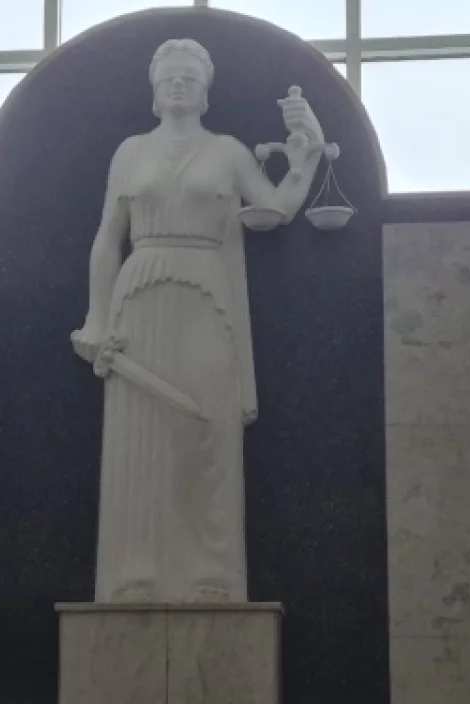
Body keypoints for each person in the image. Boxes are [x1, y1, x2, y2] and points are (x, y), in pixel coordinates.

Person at [70, 38, 325, 603]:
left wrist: (304, 156)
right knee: (141, 439)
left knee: (209, 428)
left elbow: (276, 209)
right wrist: (96, 317)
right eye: (169, 78)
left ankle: (212, 573)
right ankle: (135, 572)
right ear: (154, 90)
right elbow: (108, 238)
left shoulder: (228, 152)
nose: (179, 84)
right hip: (139, 297)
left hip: (207, 296)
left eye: (189, 76)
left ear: (206, 90)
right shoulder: (130, 152)